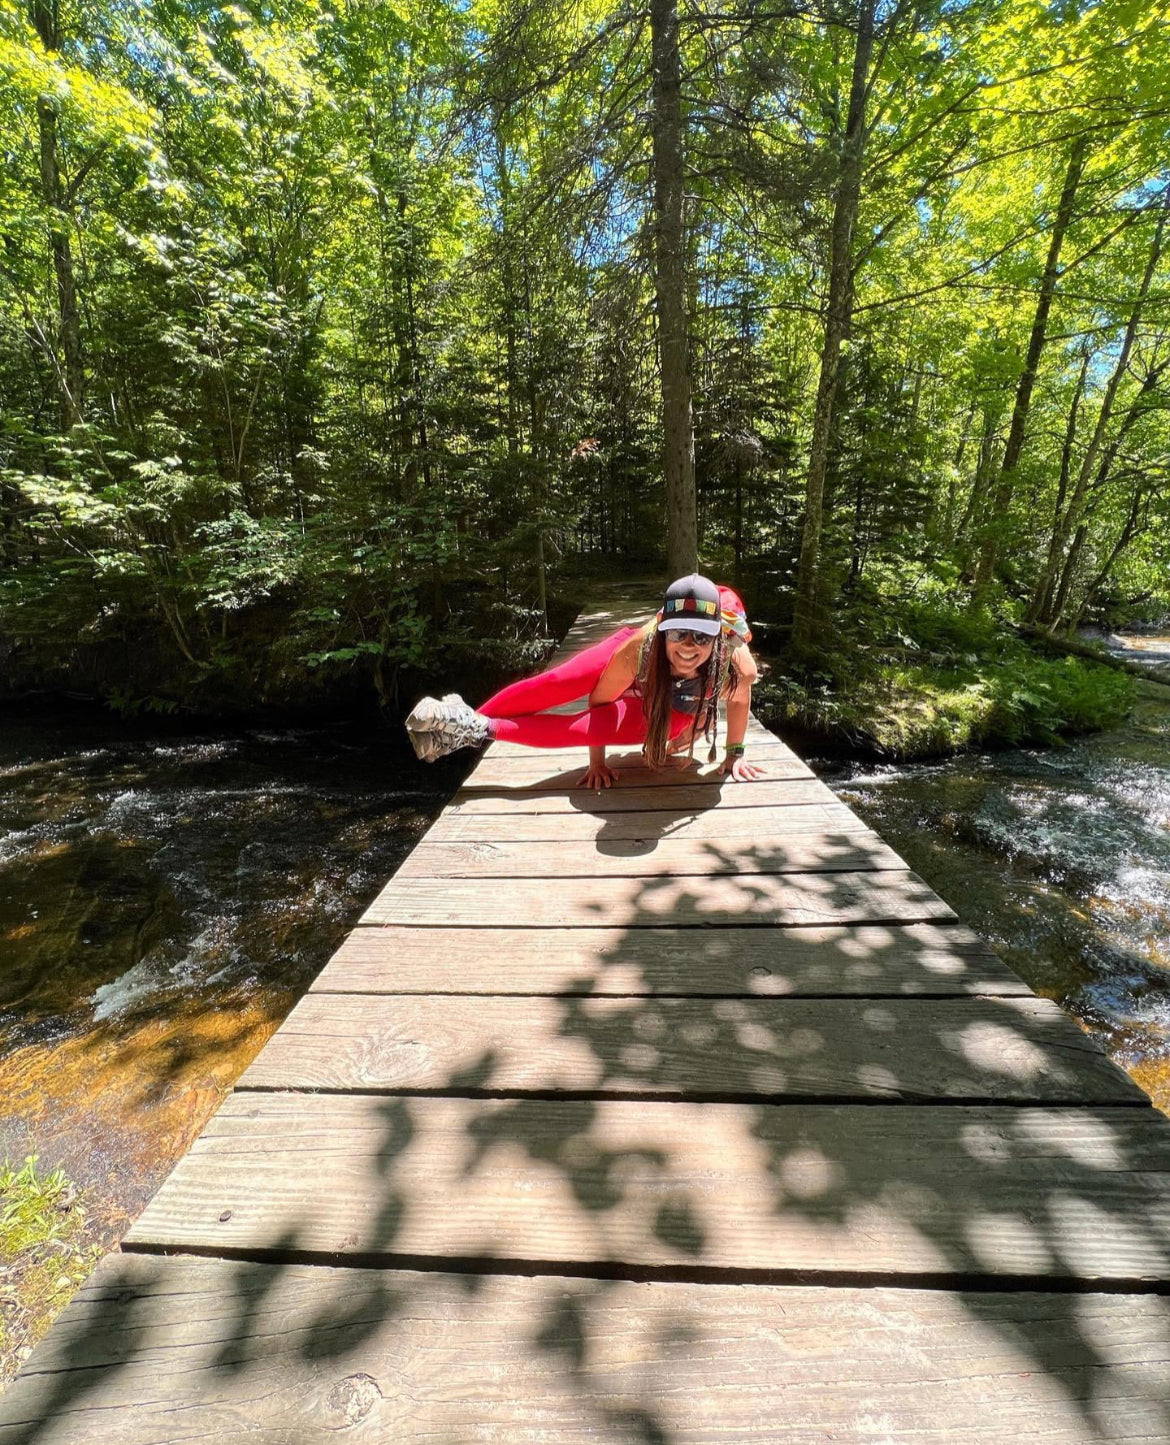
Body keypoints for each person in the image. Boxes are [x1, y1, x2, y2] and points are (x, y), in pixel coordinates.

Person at [405, 574, 767, 787]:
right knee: (559, 683)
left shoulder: (733, 668)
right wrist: (597, 761)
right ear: (663, 632)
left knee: (637, 729)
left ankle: (479, 727)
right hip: (635, 663)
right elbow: (599, 701)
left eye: (701, 638)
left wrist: (735, 754)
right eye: (679, 635)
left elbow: (739, 698)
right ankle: (463, 719)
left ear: (718, 639)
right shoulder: (641, 648)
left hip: (675, 700)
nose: (689, 647)